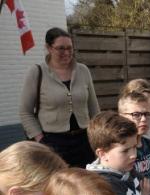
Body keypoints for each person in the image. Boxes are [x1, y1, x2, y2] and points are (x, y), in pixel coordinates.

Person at [20, 27, 99, 168]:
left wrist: (98, 135)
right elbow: (25, 112)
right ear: (49, 48)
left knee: (85, 183)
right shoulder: (37, 72)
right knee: (58, 185)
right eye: (61, 48)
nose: (67, 53)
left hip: (85, 140)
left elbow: (94, 108)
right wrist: (41, 140)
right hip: (52, 142)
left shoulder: (83, 70)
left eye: (70, 48)